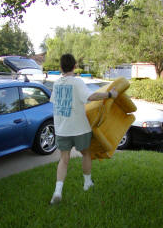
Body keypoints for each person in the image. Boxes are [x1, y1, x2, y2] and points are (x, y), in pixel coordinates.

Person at [50, 54, 118, 204]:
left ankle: (58, 191)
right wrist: (109, 94)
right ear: (74, 66)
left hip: (62, 129)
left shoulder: (56, 84)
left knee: (64, 159)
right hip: (80, 128)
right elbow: (91, 97)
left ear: (61, 67)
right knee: (86, 153)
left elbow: (55, 102)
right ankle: (87, 183)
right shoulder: (77, 82)